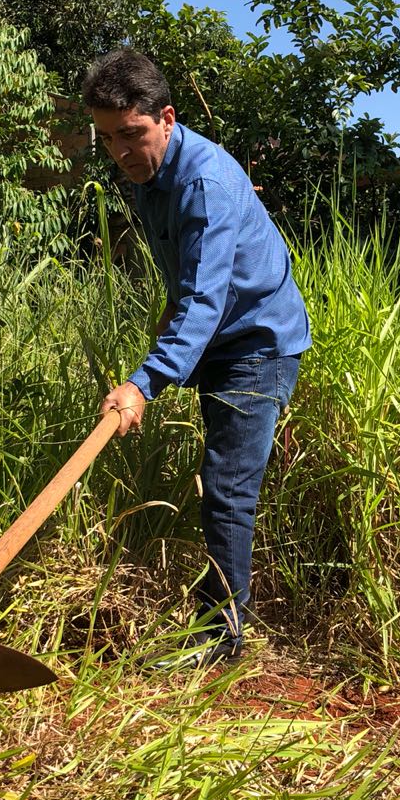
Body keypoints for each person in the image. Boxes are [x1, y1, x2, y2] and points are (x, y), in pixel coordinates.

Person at [81, 49, 311, 666]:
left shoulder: (203, 183)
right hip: (217, 334)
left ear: (166, 118)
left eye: (132, 135)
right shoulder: (149, 177)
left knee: (228, 488)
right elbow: (188, 288)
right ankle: (223, 614)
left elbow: (206, 299)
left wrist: (144, 383)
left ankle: (222, 640)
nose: (120, 152)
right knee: (220, 481)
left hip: (256, 342)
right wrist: (157, 358)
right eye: (106, 138)